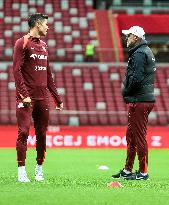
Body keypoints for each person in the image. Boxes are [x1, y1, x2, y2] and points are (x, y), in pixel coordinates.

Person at [13, 13, 63, 182]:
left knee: (42, 134)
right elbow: (16, 70)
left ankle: (39, 169)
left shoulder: (43, 45)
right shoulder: (22, 43)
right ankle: (21, 171)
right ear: (38, 24)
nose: (48, 27)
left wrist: (57, 97)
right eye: (46, 24)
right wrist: (24, 95)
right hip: (26, 99)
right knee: (24, 132)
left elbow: (48, 74)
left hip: (43, 99)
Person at [112, 26, 156, 180]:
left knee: (138, 136)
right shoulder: (146, 51)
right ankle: (127, 170)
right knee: (131, 135)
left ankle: (143, 173)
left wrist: (127, 91)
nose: (127, 38)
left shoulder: (138, 53)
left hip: (140, 99)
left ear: (136, 38)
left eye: (129, 35)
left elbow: (136, 78)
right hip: (143, 98)